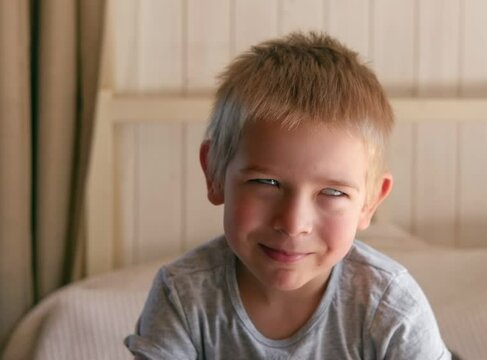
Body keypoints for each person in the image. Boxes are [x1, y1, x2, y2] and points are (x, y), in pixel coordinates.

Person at [125, 31, 451, 359]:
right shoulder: (183, 294)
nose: (294, 224)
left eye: (333, 192)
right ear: (215, 173)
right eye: (266, 183)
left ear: (370, 202)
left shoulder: (390, 307)